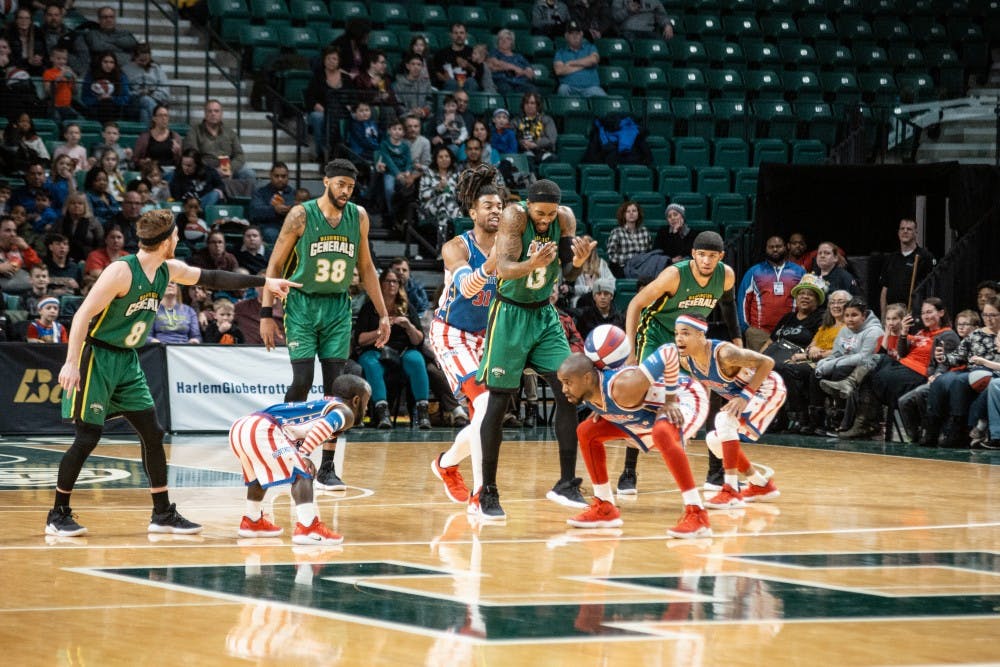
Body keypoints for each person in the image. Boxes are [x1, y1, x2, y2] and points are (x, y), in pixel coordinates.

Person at [46, 208, 299, 537]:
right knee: (88, 437)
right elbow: (82, 315)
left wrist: (265, 281)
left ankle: (162, 513)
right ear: (166, 241)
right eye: (176, 236)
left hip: (127, 360)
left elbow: (213, 278)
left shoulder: (168, 270)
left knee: (153, 433)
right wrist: (70, 362)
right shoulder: (121, 271)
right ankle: (57, 514)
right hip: (98, 357)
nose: (178, 240)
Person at [260, 159, 390, 490]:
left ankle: (328, 467)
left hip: (337, 307)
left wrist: (383, 313)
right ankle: (286, 452)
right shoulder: (301, 215)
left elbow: (367, 267)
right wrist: (265, 314)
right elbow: (274, 265)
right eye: (340, 184)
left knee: (337, 387)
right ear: (326, 182)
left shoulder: (358, 217)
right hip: (302, 304)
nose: (346, 191)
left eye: (351, 186)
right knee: (302, 380)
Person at [474, 179, 598, 519]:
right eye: (540, 214)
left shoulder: (565, 219)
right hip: (510, 314)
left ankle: (566, 483)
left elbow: (568, 275)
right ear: (528, 207)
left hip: (544, 315)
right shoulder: (514, 218)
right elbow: (503, 269)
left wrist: (580, 261)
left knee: (568, 390)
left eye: (550, 214)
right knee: (499, 402)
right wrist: (533, 263)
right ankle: (488, 491)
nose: (545, 220)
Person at [621, 230, 741, 495]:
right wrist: (631, 349)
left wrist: (737, 340)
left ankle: (715, 473)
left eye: (712, 256)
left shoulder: (726, 275)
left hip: (690, 337)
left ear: (721, 256)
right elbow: (635, 304)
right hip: (656, 332)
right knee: (642, 396)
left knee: (710, 393)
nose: (707, 261)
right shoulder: (674, 275)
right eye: (702, 255)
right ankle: (628, 471)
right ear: (693, 254)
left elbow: (728, 305)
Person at [557, 339, 715, 537]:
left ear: (587, 378)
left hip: (685, 397)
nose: (563, 389)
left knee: (662, 433)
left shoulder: (623, 387)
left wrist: (670, 401)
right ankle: (605, 508)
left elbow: (668, 350)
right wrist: (606, 411)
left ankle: (697, 514)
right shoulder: (590, 393)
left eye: (568, 383)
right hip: (647, 416)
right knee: (587, 431)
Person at [428, 165, 505, 506]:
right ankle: (481, 494)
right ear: (473, 212)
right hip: (452, 333)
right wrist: (491, 265)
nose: (495, 211)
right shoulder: (456, 247)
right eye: (488, 206)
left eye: (499, 206)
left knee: (485, 416)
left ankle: (446, 464)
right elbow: (468, 288)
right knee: (485, 404)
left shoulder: (508, 247)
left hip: (486, 336)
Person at [228, 375, 371, 545]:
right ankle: (308, 528)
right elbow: (323, 427)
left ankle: (252, 522)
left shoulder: (324, 404)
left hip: (241, 426)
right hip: (262, 427)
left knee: (260, 473)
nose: (367, 408)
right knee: (302, 473)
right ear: (356, 401)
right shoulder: (345, 412)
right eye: (366, 402)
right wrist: (304, 455)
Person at [674, 315, 784, 508]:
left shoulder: (725, 354)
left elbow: (767, 362)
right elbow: (702, 391)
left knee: (723, 420)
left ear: (701, 335)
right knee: (713, 440)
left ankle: (731, 491)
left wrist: (745, 396)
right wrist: (692, 425)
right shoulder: (686, 360)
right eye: (676, 334)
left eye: (685, 333)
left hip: (767, 389)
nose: (679, 338)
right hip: (744, 395)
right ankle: (760, 484)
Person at [835, 297, 959, 440]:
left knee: (870, 375)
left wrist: (936, 375)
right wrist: (904, 333)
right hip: (902, 366)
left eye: (929, 312)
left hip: (918, 373)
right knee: (875, 363)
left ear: (941, 313)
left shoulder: (947, 334)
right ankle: (862, 420)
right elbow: (902, 353)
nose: (925, 316)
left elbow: (945, 362)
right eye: (923, 313)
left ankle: (864, 424)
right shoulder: (921, 333)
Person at [356, 268, 432, 429]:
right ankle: (383, 413)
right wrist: (381, 330)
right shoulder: (369, 308)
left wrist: (408, 325)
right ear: (380, 284)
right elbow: (360, 340)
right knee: (370, 362)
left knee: (416, 359)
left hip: (403, 352)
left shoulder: (407, 307)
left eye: (395, 281)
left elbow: (418, 340)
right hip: (376, 350)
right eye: (388, 281)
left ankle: (423, 413)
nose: (392, 284)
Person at [737, 235, 806, 351]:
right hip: (759, 332)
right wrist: (746, 328)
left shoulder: (799, 271)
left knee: (786, 362)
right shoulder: (754, 271)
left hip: (790, 331)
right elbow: (743, 300)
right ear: (766, 249)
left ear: (785, 247)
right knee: (758, 362)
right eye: (771, 247)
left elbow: (806, 299)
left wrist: (801, 326)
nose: (775, 249)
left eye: (778, 246)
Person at [182, 99, 256, 183]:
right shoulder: (194, 132)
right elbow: (192, 155)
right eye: (210, 111)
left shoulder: (230, 132)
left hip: (227, 167)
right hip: (205, 168)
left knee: (249, 174)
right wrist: (213, 171)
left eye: (216, 111)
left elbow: (239, 155)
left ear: (221, 114)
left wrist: (229, 168)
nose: (213, 114)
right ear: (205, 114)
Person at [304, 46, 353, 165]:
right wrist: (320, 108)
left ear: (339, 61)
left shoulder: (346, 78)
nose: (331, 61)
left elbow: (352, 98)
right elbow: (310, 98)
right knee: (318, 117)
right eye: (328, 58)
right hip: (322, 111)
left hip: (341, 112)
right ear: (324, 60)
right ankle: (321, 153)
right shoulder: (317, 76)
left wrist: (350, 107)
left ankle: (345, 154)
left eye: (334, 59)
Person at [877, 218, 935, 319]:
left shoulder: (925, 257)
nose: (905, 231)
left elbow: (930, 289)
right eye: (902, 228)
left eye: (909, 229)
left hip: (914, 314)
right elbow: (884, 289)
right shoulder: (891, 258)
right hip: (892, 315)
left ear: (915, 233)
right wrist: (883, 316)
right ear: (898, 233)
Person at [418, 145, 463, 249]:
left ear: (451, 158)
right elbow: (422, 195)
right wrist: (436, 189)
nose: (444, 159)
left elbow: (461, 196)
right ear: (436, 159)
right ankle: (459, 223)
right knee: (445, 197)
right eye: (441, 157)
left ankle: (442, 249)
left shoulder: (456, 174)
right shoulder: (428, 173)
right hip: (428, 209)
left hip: (448, 210)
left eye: (447, 156)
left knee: (444, 215)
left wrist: (452, 190)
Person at [553, 21, 607, 97]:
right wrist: (585, 65)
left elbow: (594, 60)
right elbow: (559, 70)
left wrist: (571, 63)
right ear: (566, 36)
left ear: (582, 34)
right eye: (571, 33)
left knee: (602, 96)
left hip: (591, 88)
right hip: (569, 87)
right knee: (562, 88)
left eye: (577, 33)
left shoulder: (590, 47)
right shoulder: (560, 53)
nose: (575, 36)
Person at [122, 42, 169, 125]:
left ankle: (149, 132)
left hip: (155, 100)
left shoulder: (156, 69)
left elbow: (165, 91)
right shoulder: (125, 69)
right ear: (134, 57)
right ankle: (161, 123)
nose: (144, 63)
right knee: (145, 99)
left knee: (144, 111)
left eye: (146, 60)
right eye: (141, 60)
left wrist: (152, 94)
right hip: (134, 102)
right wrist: (139, 93)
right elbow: (125, 92)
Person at [248, 162, 295, 244]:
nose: (280, 179)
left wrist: (291, 210)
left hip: (290, 226)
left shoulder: (294, 193)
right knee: (271, 234)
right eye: (276, 176)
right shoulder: (260, 192)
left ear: (288, 177)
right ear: (270, 176)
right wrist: (274, 210)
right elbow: (254, 212)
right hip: (268, 226)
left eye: (283, 176)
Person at [81, 50, 132, 123]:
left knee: (107, 103)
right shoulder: (91, 75)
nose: (108, 65)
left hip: (116, 109)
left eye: (111, 62)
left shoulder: (121, 76)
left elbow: (125, 98)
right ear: (100, 62)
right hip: (95, 109)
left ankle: (108, 126)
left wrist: (112, 98)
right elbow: (85, 98)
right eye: (105, 62)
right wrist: (98, 99)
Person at [606, 200, 653, 278]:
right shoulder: (617, 232)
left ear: (638, 214)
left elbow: (649, 253)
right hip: (622, 268)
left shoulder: (645, 231)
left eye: (634, 211)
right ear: (624, 215)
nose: (631, 213)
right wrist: (630, 261)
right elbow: (611, 254)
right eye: (628, 211)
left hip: (642, 268)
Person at [0, 214, 43, 294]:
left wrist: (27, 249)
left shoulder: (21, 249)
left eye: (14, 231)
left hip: (25, 293)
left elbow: (39, 270)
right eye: (8, 230)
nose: (13, 234)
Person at [431, 23, 480, 93]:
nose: (459, 35)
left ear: (466, 35)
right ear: (451, 35)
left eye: (461, 33)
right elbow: (437, 73)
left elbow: (480, 73)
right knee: (452, 83)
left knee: (471, 82)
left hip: (468, 86)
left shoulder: (473, 52)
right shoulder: (441, 53)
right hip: (450, 86)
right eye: (456, 33)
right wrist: (445, 78)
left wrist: (468, 66)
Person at [513, 92, 556, 168]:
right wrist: (522, 143)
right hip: (525, 151)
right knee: (527, 160)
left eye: (532, 103)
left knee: (552, 159)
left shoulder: (547, 119)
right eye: (526, 103)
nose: (529, 105)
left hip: (544, 151)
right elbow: (513, 137)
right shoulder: (516, 121)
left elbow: (551, 139)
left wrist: (535, 144)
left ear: (537, 105)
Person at [133, 104, 182, 170]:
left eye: (166, 115)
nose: (164, 118)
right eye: (160, 115)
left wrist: (178, 153)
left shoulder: (175, 137)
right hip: (152, 171)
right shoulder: (144, 138)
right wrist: (143, 162)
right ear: (154, 118)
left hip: (170, 171)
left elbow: (180, 162)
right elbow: (135, 160)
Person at [487, 30, 537, 95]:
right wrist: (514, 68)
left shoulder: (519, 57)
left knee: (532, 89)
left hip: (520, 83)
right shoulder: (494, 53)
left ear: (512, 42)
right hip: (503, 82)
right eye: (501, 38)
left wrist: (523, 72)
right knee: (506, 88)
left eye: (508, 39)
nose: (504, 41)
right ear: (498, 41)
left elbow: (530, 73)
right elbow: (495, 63)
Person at [83, 221, 127, 289]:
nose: (116, 240)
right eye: (112, 237)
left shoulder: (128, 256)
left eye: (119, 237)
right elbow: (100, 277)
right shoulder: (95, 255)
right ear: (106, 240)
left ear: (123, 240)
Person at [42, 46, 81, 123]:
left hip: (67, 106)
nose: (62, 61)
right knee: (57, 120)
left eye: (64, 59)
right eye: (58, 59)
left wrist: (74, 79)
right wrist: (60, 77)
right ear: (51, 58)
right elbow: (48, 92)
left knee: (74, 119)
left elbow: (75, 92)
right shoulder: (48, 73)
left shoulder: (68, 73)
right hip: (54, 106)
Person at [393, 52, 433, 120]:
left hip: (423, 115)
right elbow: (398, 105)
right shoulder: (398, 84)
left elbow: (429, 102)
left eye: (419, 64)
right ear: (407, 66)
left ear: (422, 67)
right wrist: (411, 112)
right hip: (405, 116)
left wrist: (423, 111)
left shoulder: (426, 83)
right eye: (413, 64)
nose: (416, 67)